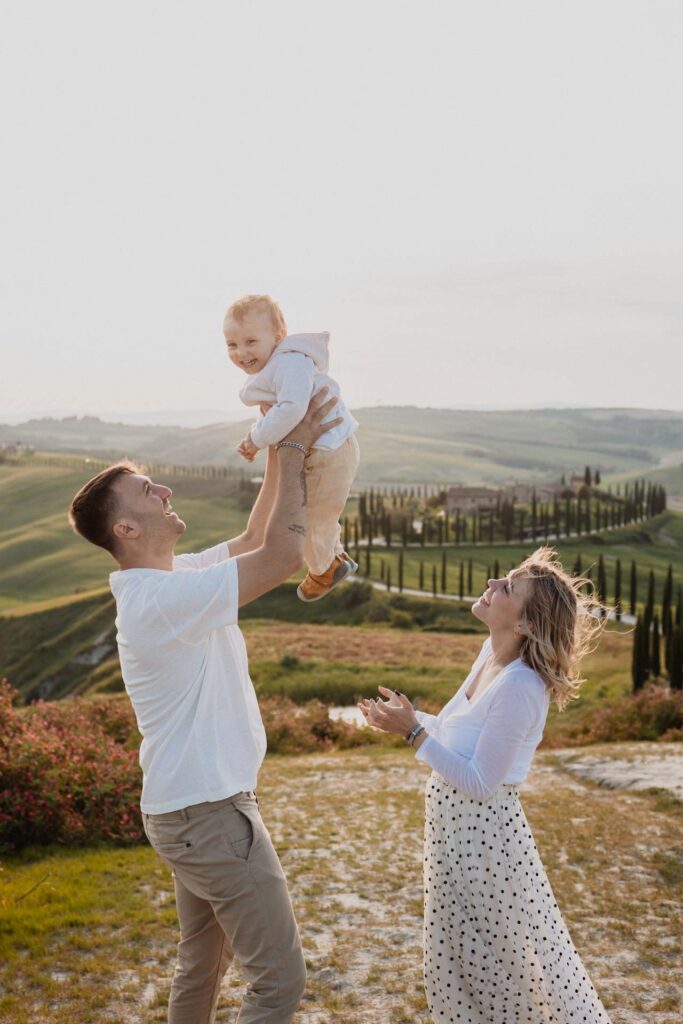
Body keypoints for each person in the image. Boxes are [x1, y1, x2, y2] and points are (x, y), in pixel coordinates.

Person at [68, 391, 341, 1024]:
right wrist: (300, 444)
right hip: (210, 813)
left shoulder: (168, 580)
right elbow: (278, 555)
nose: (164, 491)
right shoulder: (158, 601)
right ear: (126, 529)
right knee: (278, 984)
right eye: (147, 492)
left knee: (202, 963)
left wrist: (277, 444)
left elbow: (251, 535)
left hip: (185, 810)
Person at [359, 547, 613, 1024]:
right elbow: (457, 735)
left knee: (504, 976)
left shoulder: (521, 687)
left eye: (508, 588)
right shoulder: (488, 656)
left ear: (527, 625)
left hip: (487, 848)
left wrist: (412, 733)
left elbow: (479, 782)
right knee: (456, 969)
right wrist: (406, 720)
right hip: (453, 840)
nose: (494, 584)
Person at [224, 292, 360, 601]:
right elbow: (283, 409)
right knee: (321, 512)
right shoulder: (284, 364)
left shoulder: (290, 362)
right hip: (329, 448)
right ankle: (336, 558)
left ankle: (324, 569)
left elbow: (293, 409)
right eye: (232, 345)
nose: (240, 352)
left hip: (329, 450)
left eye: (250, 341)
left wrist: (255, 439)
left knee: (310, 517)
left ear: (278, 336)